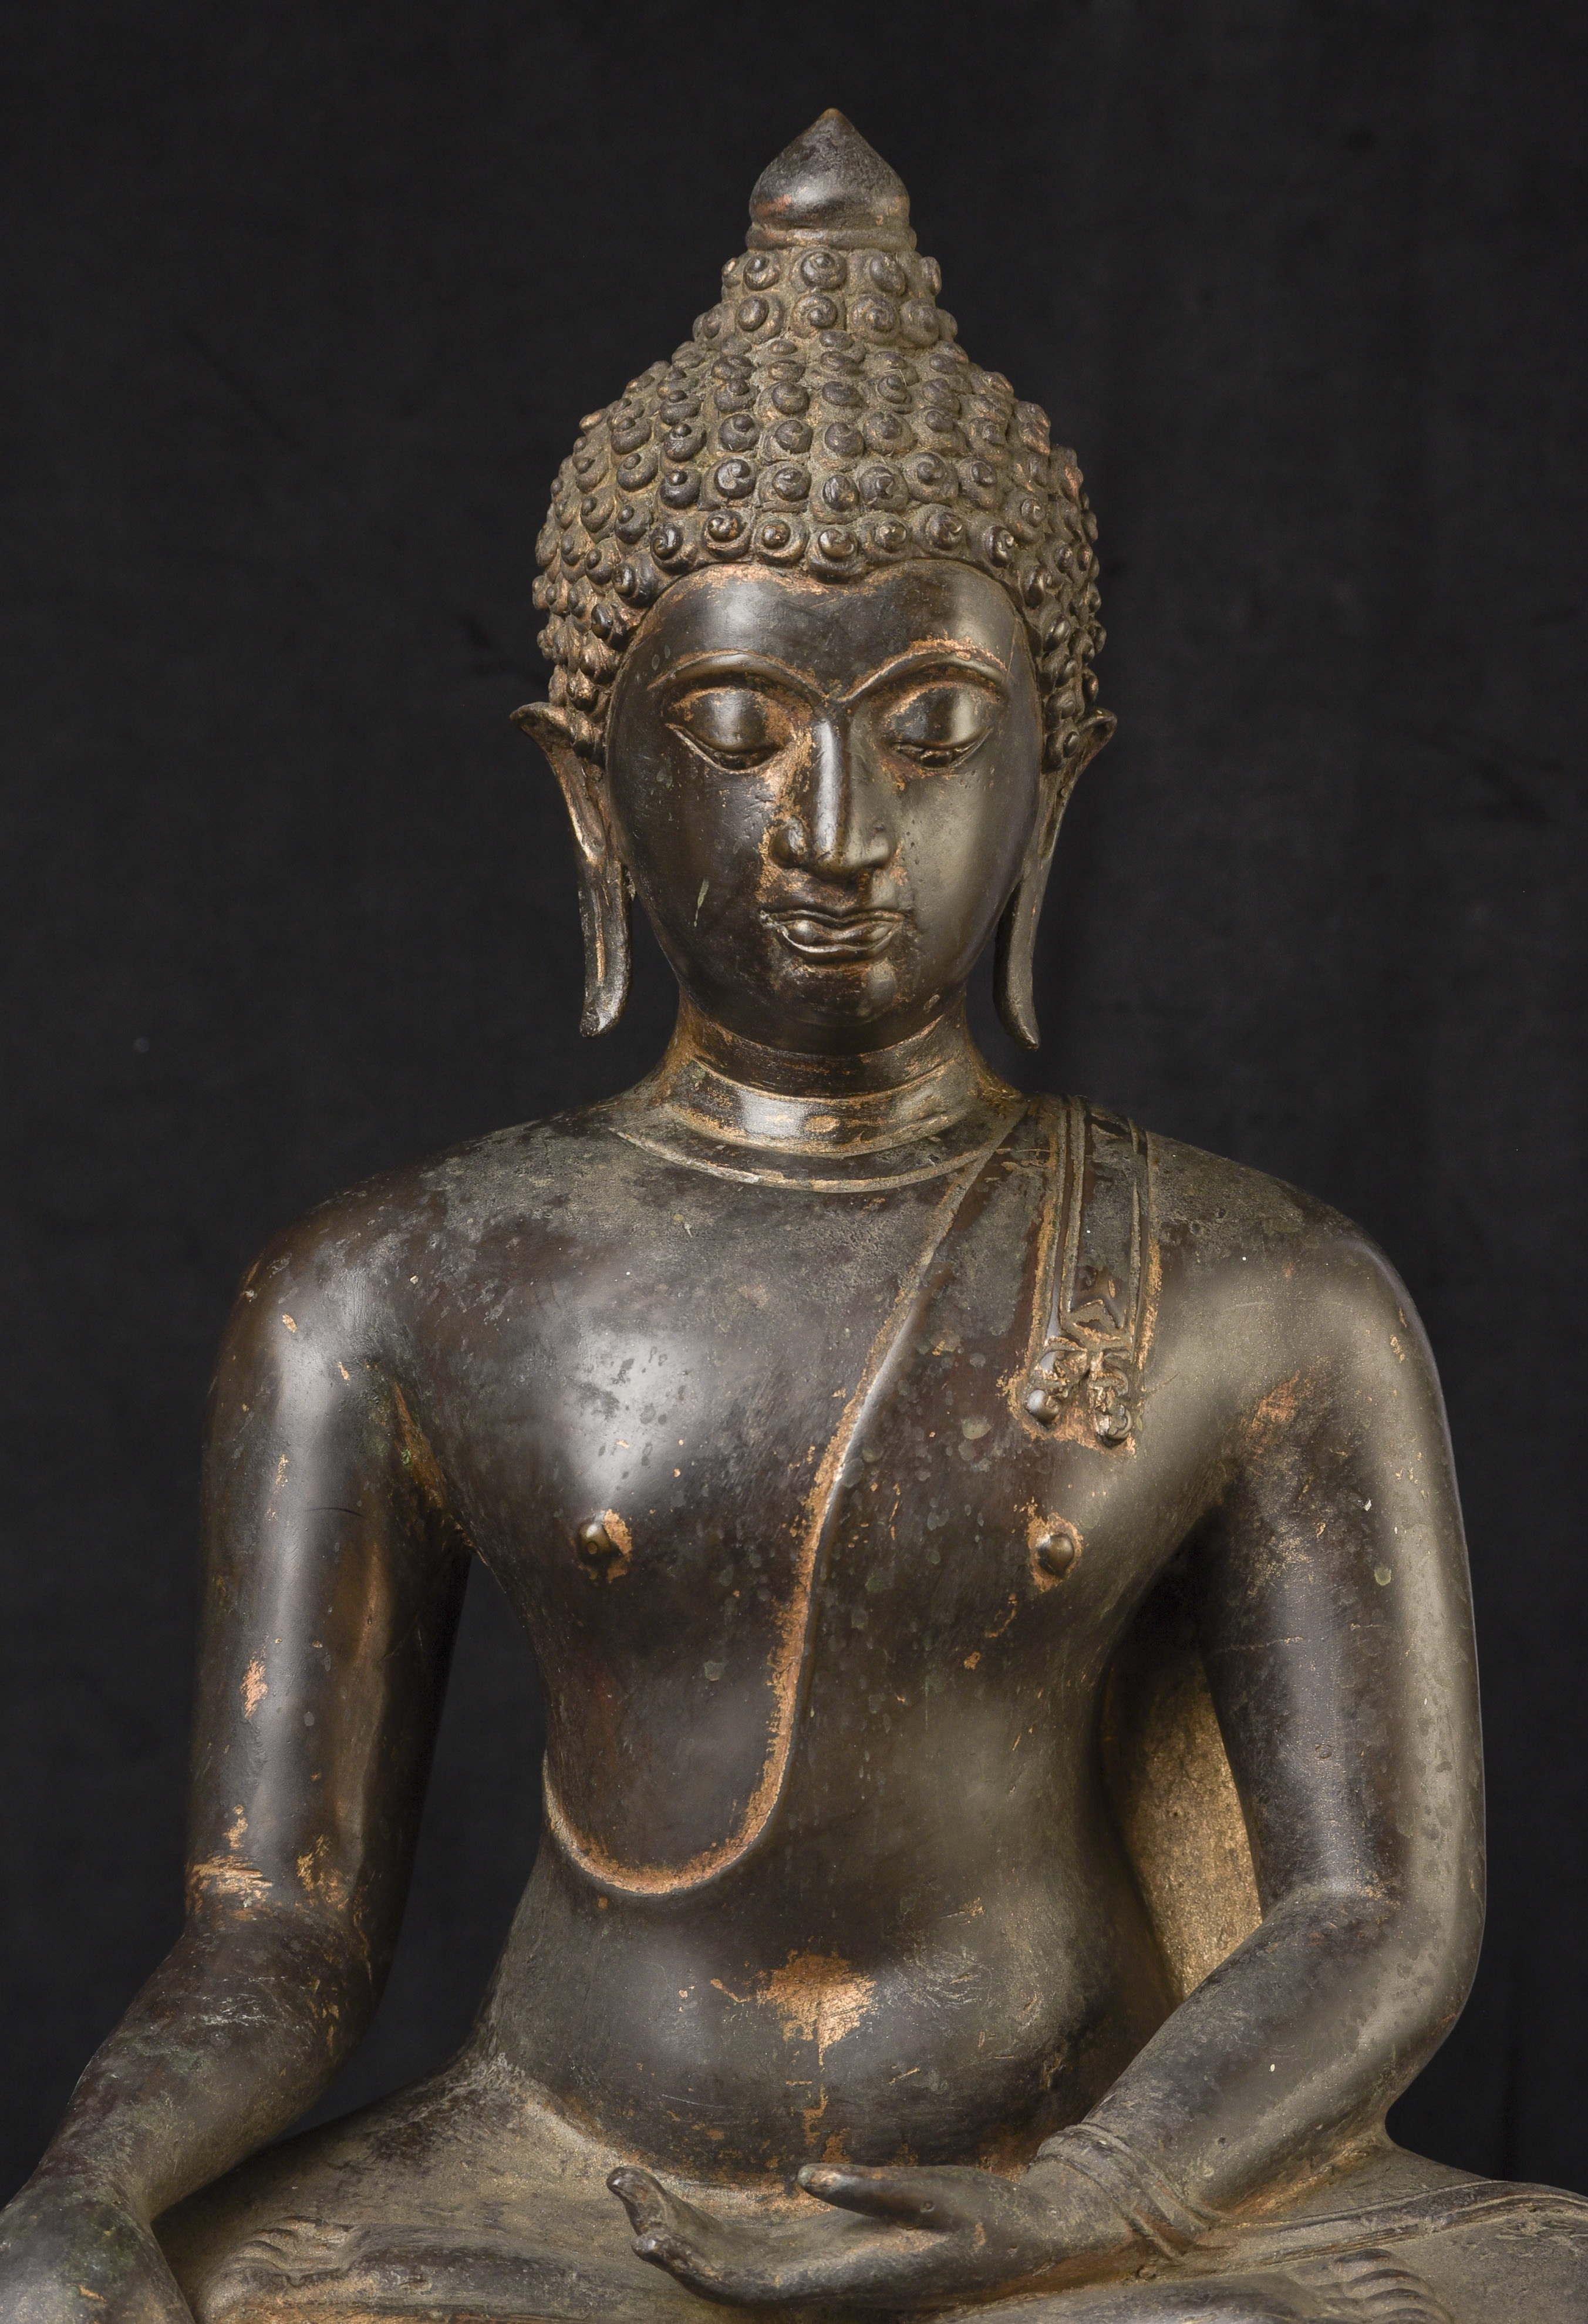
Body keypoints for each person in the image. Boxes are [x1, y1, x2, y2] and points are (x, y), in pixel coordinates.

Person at [2, 110, 1582, 2324]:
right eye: (738, 726)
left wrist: (1085, 2204)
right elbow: (274, 1923)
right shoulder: (383, 1287)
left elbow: (1375, 1919)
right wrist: (89, 2182)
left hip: (1068, 2209)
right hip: (565, 2195)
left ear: (1055, 782)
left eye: (931, 730)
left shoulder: (1263, 1287)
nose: (834, 827)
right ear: (591, 788)